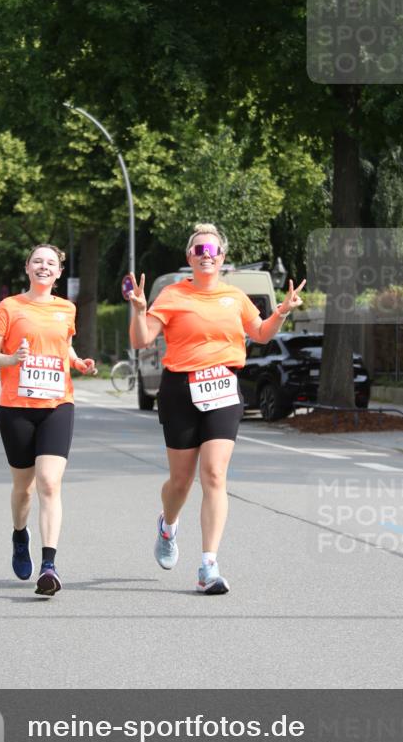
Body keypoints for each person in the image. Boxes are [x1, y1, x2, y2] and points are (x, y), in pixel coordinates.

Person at [129, 222, 305, 595]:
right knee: (180, 481)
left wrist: (283, 311)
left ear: (222, 258)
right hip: (180, 388)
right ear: (189, 257)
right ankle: (168, 525)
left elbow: (259, 333)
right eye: (199, 251)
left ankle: (208, 565)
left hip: (223, 387)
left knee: (214, 475)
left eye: (212, 251)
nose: (206, 256)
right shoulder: (173, 296)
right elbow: (142, 339)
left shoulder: (235, 296)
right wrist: (139, 310)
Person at [0, 244, 96, 596]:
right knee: (24, 488)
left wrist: (77, 363)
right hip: (17, 406)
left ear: (59, 272)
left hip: (57, 404)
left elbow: (64, 346)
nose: (44, 267)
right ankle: (20, 535)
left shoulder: (67, 308)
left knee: (49, 482)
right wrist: (12, 358)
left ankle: (49, 565)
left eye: (51, 263)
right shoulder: (10, 307)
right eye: (38, 261)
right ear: (27, 268)